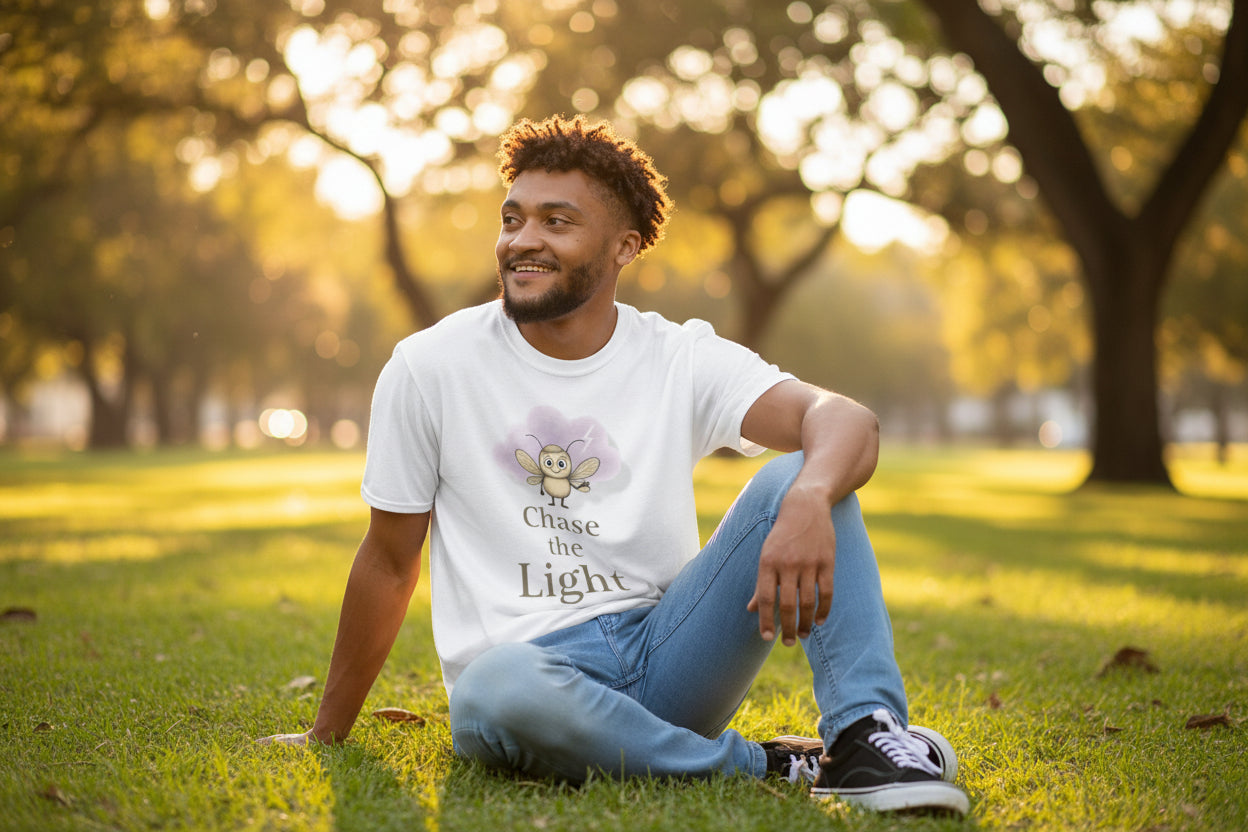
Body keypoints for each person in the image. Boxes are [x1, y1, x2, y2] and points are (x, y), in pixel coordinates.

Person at [261, 114, 969, 816]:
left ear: (624, 246)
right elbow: (389, 562)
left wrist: (811, 497)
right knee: (491, 685)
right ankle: (772, 765)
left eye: (557, 222)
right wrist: (327, 733)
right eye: (513, 219)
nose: (523, 241)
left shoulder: (678, 355)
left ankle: (866, 735)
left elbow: (846, 420)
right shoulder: (429, 367)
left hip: (668, 652)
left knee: (803, 476)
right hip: (527, 682)